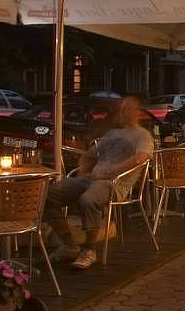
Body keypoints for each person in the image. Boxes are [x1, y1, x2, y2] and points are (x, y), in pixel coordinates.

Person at [44, 96, 154, 270]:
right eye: (122, 109)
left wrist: (111, 170)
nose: (123, 112)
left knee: (88, 199)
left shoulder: (143, 136)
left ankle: (89, 250)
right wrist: (83, 173)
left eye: (128, 109)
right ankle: (69, 245)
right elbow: (89, 155)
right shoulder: (112, 134)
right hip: (92, 178)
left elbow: (140, 158)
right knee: (46, 195)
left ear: (137, 112)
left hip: (115, 183)